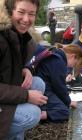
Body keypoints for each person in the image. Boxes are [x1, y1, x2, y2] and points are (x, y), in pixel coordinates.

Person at [0, 0, 48, 140]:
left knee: (37, 84)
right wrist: (26, 95)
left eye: (31, 14)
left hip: (5, 92)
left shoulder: (22, 37)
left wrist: (26, 69)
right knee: (32, 114)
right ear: (9, 11)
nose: (26, 19)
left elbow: (23, 64)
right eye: (21, 12)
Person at [29, 43, 82, 122]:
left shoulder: (55, 53)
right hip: (43, 89)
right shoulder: (58, 61)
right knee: (64, 112)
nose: (72, 67)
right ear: (72, 56)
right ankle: (39, 115)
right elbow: (59, 87)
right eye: (74, 64)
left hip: (41, 85)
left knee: (61, 106)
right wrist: (68, 102)